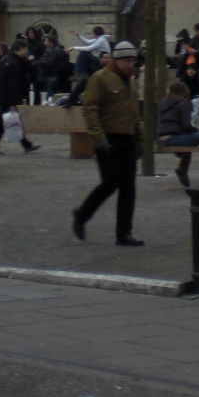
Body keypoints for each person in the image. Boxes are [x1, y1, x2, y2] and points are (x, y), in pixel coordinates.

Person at [72, 41, 143, 246]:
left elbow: (134, 112)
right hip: (108, 138)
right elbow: (90, 108)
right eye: (128, 61)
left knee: (128, 187)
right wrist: (98, 137)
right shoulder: (100, 78)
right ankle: (82, 215)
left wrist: (139, 139)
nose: (132, 65)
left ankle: (124, 233)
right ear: (116, 60)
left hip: (127, 138)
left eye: (133, 61)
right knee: (110, 183)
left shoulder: (130, 81)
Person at [0, 40, 41, 153]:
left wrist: (32, 61)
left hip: (5, 96)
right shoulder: (12, 62)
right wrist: (13, 102)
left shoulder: (13, 60)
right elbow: (12, 84)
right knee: (5, 121)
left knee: (8, 121)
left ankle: (25, 144)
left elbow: (27, 67)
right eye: (25, 49)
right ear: (20, 49)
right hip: (7, 97)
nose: (26, 52)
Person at [157, 79, 199, 188]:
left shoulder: (163, 102)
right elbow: (186, 125)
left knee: (188, 146)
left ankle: (182, 169)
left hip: (163, 138)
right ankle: (182, 169)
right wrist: (196, 131)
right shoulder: (183, 103)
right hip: (176, 138)